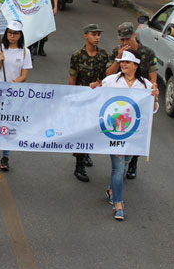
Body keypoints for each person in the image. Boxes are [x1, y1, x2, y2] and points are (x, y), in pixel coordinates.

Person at [92, 50, 159, 220]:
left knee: (126, 162)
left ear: (135, 65)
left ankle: (112, 189)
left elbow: (152, 110)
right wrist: (94, 87)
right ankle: (118, 204)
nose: (123, 64)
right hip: (115, 133)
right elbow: (94, 95)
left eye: (127, 62)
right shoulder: (111, 81)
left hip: (134, 134)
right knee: (118, 167)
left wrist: (155, 99)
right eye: (122, 62)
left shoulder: (145, 85)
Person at [104, 22, 159, 179]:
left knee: (138, 132)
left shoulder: (147, 52)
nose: (124, 43)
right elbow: (108, 75)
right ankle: (120, 168)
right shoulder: (117, 51)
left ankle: (133, 162)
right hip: (120, 100)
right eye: (121, 40)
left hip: (140, 98)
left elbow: (152, 75)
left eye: (127, 39)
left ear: (134, 35)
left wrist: (152, 92)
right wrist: (118, 58)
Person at [0, 21, 32, 170]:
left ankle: (5, 155)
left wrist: (12, 84)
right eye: (10, 33)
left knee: (10, 123)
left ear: (20, 35)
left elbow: (24, 75)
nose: (12, 36)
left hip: (14, 92)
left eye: (16, 34)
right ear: (6, 34)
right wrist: (0, 61)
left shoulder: (25, 52)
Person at [68, 23, 109, 182]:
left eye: (99, 35)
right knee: (82, 132)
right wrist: (71, 99)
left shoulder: (103, 55)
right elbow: (72, 78)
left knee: (92, 130)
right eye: (93, 34)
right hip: (81, 99)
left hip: (97, 99)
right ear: (85, 36)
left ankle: (86, 154)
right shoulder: (77, 55)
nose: (97, 38)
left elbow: (106, 76)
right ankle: (79, 166)